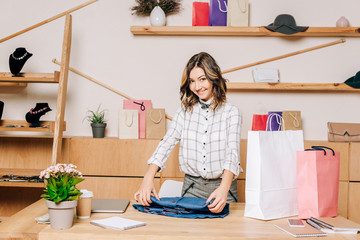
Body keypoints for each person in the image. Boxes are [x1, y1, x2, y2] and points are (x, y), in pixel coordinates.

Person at [134, 52, 242, 213]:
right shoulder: (184, 112)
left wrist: (224, 189)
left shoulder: (232, 112)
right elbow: (167, 142)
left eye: (202, 79)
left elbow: (232, 153)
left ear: (213, 78)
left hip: (224, 189)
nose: (197, 87)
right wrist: (148, 177)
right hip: (192, 189)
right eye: (192, 81)